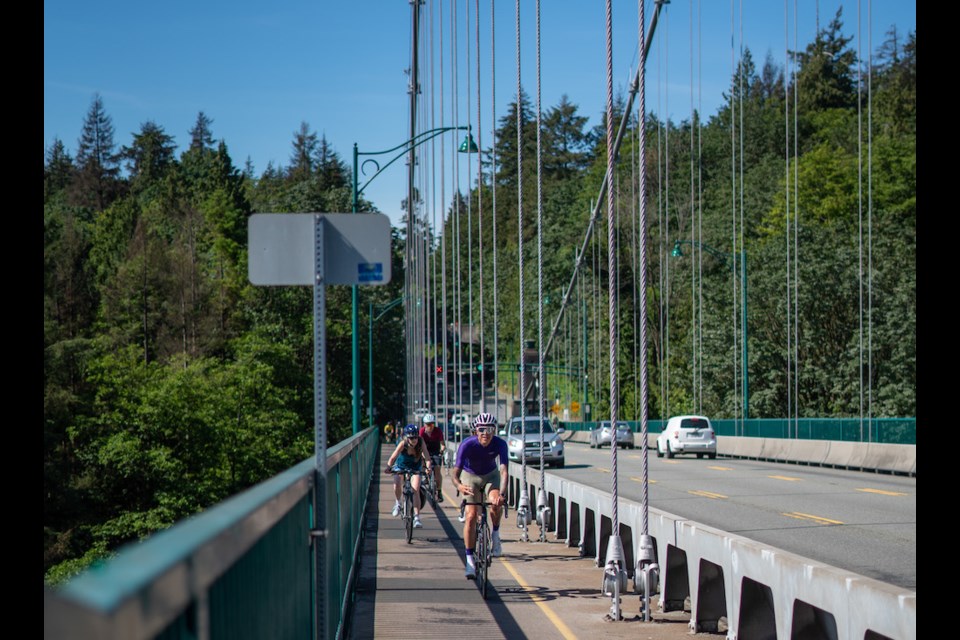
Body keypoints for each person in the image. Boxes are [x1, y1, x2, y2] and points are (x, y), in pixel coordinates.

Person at [452, 412, 508, 578]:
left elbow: (504, 471)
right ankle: (469, 560)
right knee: (470, 516)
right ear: (475, 431)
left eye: (489, 429)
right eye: (481, 429)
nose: (486, 433)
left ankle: (495, 535)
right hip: (470, 476)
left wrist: (502, 494)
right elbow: (455, 474)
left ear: (494, 431)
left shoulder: (500, 444)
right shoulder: (467, 444)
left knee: (495, 504)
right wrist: (460, 486)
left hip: (491, 475)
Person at [384, 424, 432, 528]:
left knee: (415, 489)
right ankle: (398, 503)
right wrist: (388, 467)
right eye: (411, 438)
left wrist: (428, 468)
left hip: (416, 467)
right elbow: (393, 457)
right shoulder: (403, 444)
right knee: (397, 482)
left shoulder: (420, 442)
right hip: (401, 466)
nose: (414, 439)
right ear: (407, 437)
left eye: (415, 437)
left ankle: (417, 518)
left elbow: (427, 458)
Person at [418, 413, 446, 503]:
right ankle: (424, 476)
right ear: (424, 424)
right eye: (428, 424)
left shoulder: (438, 431)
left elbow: (442, 444)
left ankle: (439, 491)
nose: (430, 426)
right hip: (425, 450)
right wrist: (422, 454)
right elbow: (419, 445)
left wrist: (441, 451)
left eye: (431, 424)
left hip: (435, 451)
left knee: (437, 470)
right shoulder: (422, 431)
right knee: (422, 461)